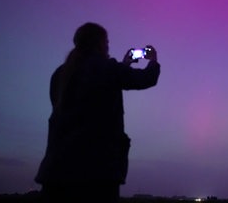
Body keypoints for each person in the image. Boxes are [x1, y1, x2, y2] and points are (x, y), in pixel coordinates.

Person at [35, 22, 161, 203]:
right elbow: (146, 79)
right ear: (100, 43)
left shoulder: (60, 74)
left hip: (56, 171)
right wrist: (153, 59)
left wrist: (124, 64)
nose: (108, 47)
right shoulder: (107, 68)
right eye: (107, 42)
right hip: (96, 173)